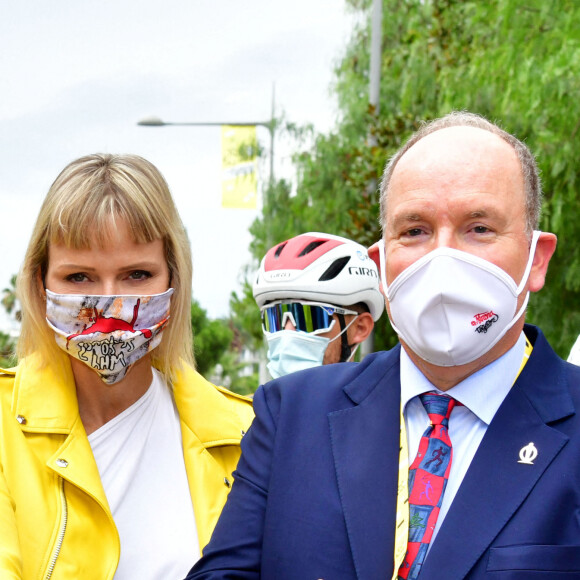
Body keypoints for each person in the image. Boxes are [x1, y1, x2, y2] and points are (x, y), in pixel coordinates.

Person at [186, 111, 580, 580]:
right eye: (414, 231)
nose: (442, 258)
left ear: (537, 259)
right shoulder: (290, 414)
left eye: (479, 228)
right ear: (381, 264)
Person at [0, 154, 253, 579]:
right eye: (79, 277)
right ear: (40, 285)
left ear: (173, 280)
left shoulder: (244, 436)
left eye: (137, 275)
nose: (110, 302)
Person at [253, 232, 384, 378]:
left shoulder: (396, 400)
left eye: (308, 318)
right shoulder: (253, 401)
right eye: (274, 319)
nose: (287, 333)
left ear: (360, 328)